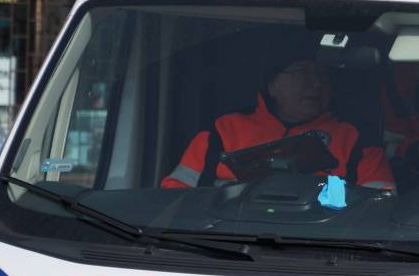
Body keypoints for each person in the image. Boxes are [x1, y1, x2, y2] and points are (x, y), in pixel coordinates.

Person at [162, 56, 395, 191]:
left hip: (323, 243)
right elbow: (175, 196)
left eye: (322, 76)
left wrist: (327, 194)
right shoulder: (223, 129)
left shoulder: (354, 136)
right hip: (228, 240)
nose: (316, 84)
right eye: (303, 73)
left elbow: (380, 204)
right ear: (273, 85)